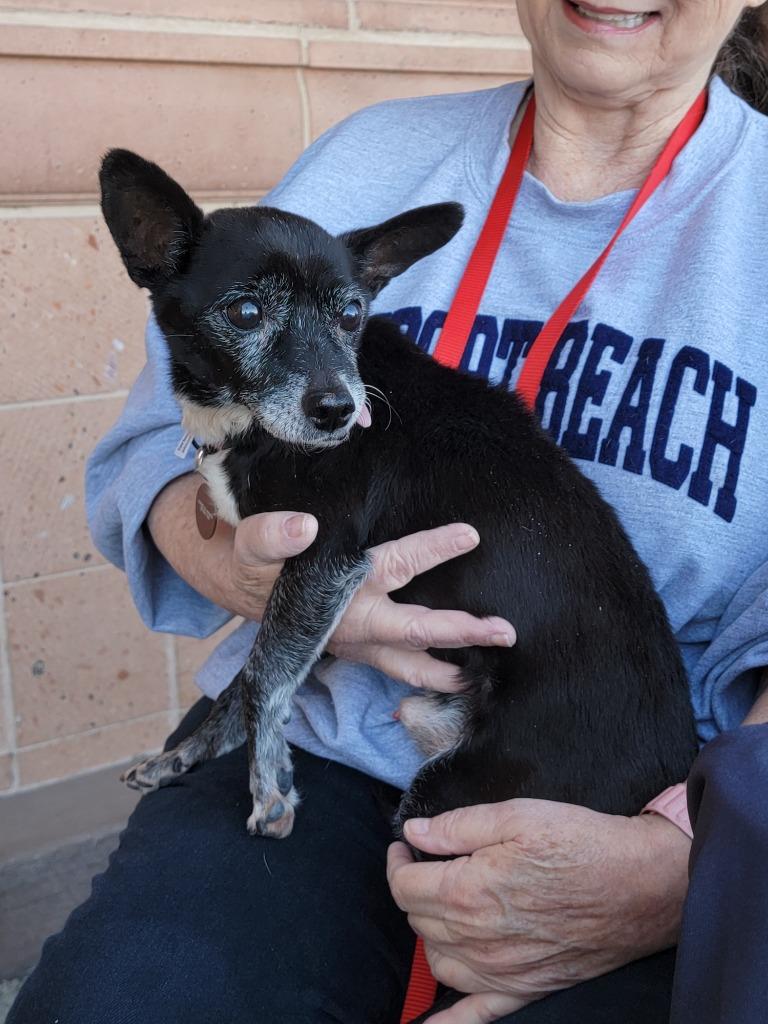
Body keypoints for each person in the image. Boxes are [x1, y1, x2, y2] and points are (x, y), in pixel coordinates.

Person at [10, 2, 768, 1022]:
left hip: (622, 791)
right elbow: (154, 453)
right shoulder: (367, 162)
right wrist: (262, 570)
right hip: (318, 762)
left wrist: (682, 857)